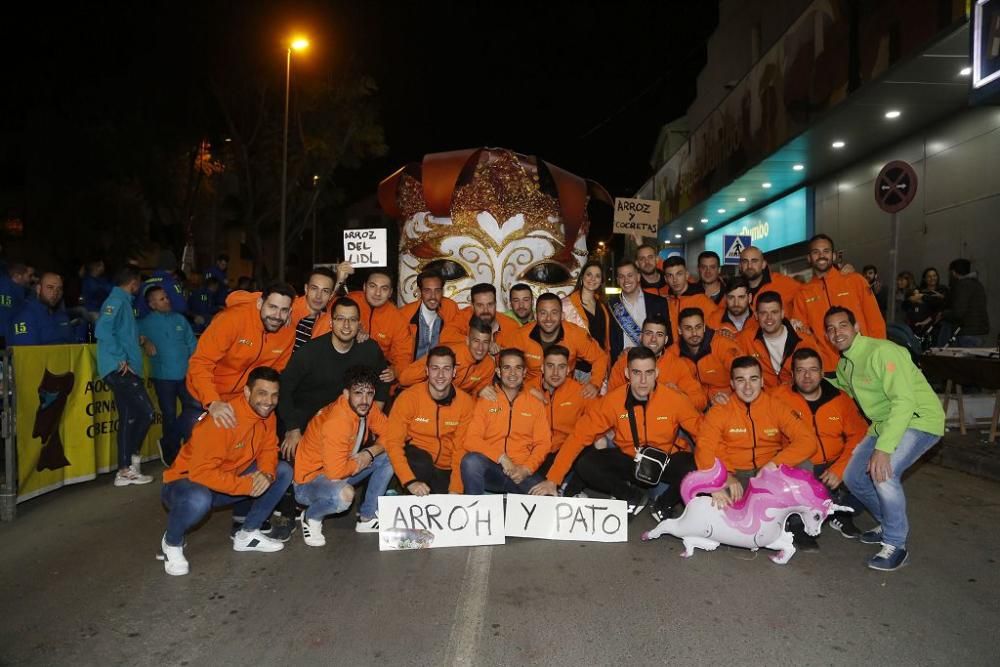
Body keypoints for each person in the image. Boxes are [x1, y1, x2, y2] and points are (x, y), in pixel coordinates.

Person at [825, 306, 945, 571]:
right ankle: (888, 523)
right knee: (854, 476)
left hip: (918, 420)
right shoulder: (845, 364)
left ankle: (896, 544)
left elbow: (903, 401)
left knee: (884, 474)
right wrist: (806, 379)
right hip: (883, 424)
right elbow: (840, 386)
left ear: (856, 327)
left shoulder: (883, 351)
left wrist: (884, 449)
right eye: (831, 329)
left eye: (843, 325)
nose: (837, 332)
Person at [531, 346, 702, 521]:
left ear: (656, 373)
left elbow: (703, 434)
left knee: (698, 464)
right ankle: (630, 496)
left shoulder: (675, 399)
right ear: (627, 373)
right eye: (636, 372)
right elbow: (578, 436)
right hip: (630, 461)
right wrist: (553, 479)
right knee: (586, 463)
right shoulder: (612, 401)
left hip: (664, 462)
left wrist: (722, 476)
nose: (643, 380)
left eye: (649, 373)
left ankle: (663, 504)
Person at [158, 367, 292, 575]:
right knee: (198, 499)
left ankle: (247, 534)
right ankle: (172, 543)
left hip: (224, 482)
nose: (269, 401)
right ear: (247, 392)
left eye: (274, 395)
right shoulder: (223, 420)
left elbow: (269, 449)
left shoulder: (268, 416)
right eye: (262, 393)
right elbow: (200, 473)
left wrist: (266, 474)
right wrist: (247, 485)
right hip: (185, 485)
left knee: (282, 470)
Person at [772, 348, 869, 546]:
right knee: (801, 471)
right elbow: (752, 408)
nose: (807, 376)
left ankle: (841, 513)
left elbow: (859, 434)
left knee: (869, 469)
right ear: (792, 375)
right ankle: (798, 526)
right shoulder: (778, 397)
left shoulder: (840, 399)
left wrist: (839, 469)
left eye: (813, 369)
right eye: (800, 370)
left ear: (822, 372)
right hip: (800, 465)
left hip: (833, 464)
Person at [695, 356, 819, 509]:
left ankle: (794, 524)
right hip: (736, 475)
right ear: (732, 384)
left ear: (761, 381)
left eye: (753, 379)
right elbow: (704, 448)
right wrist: (722, 477)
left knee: (804, 465)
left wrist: (773, 464)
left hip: (770, 470)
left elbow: (808, 440)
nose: (748, 387)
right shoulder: (720, 411)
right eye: (741, 380)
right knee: (721, 505)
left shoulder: (776, 406)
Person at [276, 297, 390, 461]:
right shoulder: (309, 353)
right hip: (308, 421)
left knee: (387, 451)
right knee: (296, 459)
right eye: (340, 319)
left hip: (349, 421)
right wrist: (292, 428)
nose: (346, 325)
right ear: (331, 323)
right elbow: (284, 388)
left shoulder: (368, 349)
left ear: (359, 324)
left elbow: (383, 378)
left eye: (352, 320)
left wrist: (374, 413)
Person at [293, 366, 394, 543]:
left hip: (341, 466)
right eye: (358, 393)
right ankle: (310, 517)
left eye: (370, 394)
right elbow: (335, 473)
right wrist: (362, 459)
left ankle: (367, 517)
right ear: (346, 394)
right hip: (309, 482)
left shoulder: (366, 408)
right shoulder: (337, 422)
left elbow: (393, 433)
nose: (365, 400)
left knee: (390, 457)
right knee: (345, 495)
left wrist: (370, 452)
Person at [186, 282, 297, 431]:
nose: (277, 316)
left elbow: (275, 372)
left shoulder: (288, 332)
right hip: (203, 395)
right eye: (272, 307)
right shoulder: (231, 320)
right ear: (259, 303)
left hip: (239, 401)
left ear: (290, 311)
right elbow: (201, 362)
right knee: (191, 446)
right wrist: (212, 401)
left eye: (284, 310)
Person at [457, 349, 551, 495]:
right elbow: (471, 439)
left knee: (548, 498)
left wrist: (526, 469)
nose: (512, 373)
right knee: (471, 462)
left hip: (521, 472)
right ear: (499, 372)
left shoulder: (535, 404)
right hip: (491, 468)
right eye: (507, 368)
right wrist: (501, 457)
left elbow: (543, 443)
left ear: (524, 372)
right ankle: (475, 511)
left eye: (518, 368)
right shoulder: (486, 400)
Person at [385, 346, 475, 495]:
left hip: (446, 467)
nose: (440, 375)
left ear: (454, 372)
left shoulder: (465, 402)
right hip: (417, 462)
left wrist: (456, 488)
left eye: (446, 369)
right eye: (435, 368)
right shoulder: (409, 398)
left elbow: (461, 449)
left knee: (447, 502)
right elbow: (393, 443)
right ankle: (397, 490)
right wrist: (410, 481)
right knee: (421, 463)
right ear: (427, 371)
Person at [95, 266, 155, 487]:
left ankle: (124, 470)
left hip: (124, 368)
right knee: (147, 413)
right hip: (120, 369)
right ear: (134, 283)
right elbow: (102, 329)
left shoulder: (123, 303)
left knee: (129, 419)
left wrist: (138, 339)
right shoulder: (117, 302)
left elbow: (119, 332)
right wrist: (120, 357)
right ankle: (131, 460)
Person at [793, 234, 886, 371]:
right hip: (829, 368)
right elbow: (802, 335)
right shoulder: (803, 293)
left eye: (826, 251)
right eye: (816, 252)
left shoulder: (855, 281)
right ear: (809, 258)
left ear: (834, 256)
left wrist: (880, 354)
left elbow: (874, 320)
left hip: (863, 362)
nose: (821, 256)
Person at [138, 286, 200, 466]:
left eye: (166, 297)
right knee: (170, 414)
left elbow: (192, 344)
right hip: (164, 377)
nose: (167, 300)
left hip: (186, 375)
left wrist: (195, 368)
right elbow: (131, 336)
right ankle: (171, 452)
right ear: (152, 304)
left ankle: (188, 448)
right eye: (162, 299)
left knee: (194, 411)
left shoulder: (179, 319)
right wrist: (145, 340)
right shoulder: (145, 323)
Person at [515, 293, 608, 397]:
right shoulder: (520, 336)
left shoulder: (575, 334)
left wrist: (595, 384)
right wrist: (526, 389)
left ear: (562, 316)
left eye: (554, 313)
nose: (548, 318)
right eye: (543, 313)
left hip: (565, 392)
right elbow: (507, 368)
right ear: (536, 316)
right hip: (530, 392)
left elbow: (600, 357)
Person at [607, 314, 707, 411]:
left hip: (667, 422)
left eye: (659, 334)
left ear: (666, 340)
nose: (653, 339)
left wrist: (678, 395)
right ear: (641, 337)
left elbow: (701, 402)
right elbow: (610, 399)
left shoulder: (678, 365)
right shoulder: (625, 361)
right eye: (649, 333)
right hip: (631, 420)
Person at [739, 291, 821, 388]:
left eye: (774, 312)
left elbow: (816, 375)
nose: (769, 318)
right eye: (763, 313)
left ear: (782, 313)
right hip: (764, 399)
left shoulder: (804, 341)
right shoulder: (745, 338)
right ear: (756, 315)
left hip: (797, 396)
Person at [342, 268, 414, 378]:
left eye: (384, 289)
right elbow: (329, 317)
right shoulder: (351, 301)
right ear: (364, 287)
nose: (377, 293)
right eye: (372, 286)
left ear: (390, 293)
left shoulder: (397, 319)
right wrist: (352, 331)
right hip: (343, 362)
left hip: (375, 371)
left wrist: (395, 371)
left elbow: (404, 355)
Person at [399, 316, 495, 396]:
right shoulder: (448, 353)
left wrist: (479, 392)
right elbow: (404, 378)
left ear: (490, 344)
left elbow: (478, 394)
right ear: (467, 341)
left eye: (485, 342)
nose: (480, 348)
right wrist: (435, 368)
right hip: (423, 398)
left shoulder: (489, 365)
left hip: (457, 408)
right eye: (476, 341)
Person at [536, 345, 593, 478]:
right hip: (537, 452)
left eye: (561, 367)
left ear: (568, 370)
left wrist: (599, 438)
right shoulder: (528, 389)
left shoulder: (580, 391)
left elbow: (601, 416)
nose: (555, 373)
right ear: (542, 368)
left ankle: (570, 486)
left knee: (592, 451)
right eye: (550, 366)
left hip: (567, 449)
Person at [670, 307, 742, 405]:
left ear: (704, 327)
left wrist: (731, 399)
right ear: (679, 330)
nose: (694, 333)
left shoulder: (722, 345)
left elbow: (744, 375)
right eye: (688, 328)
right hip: (693, 406)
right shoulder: (673, 353)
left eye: (698, 327)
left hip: (727, 403)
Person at [607, 258, 670, 364]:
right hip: (622, 365)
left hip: (654, 364)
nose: (626, 280)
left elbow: (667, 337)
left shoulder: (659, 303)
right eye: (621, 277)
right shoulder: (610, 307)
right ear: (617, 280)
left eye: (630, 275)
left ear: (638, 277)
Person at [561, 260, 612, 384]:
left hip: (599, 369)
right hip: (575, 370)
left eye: (597, 276)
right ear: (582, 277)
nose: (593, 279)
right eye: (589, 274)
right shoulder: (565, 304)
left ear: (601, 281)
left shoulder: (603, 306)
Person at [398, 269, 461, 361]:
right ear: (419, 292)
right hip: (412, 371)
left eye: (437, 291)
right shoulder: (404, 315)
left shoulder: (451, 308)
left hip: (441, 370)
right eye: (427, 291)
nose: (433, 296)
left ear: (442, 292)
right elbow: (398, 353)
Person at [441, 282, 521, 351]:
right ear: (472, 306)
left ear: (495, 304)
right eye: (480, 305)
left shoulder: (511, 326)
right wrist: (479, 342)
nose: (485, 310)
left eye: (490, 304)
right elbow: (445, 336)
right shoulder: (464, 316)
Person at [7, 272, 81, 346]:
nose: (56, 292)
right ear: (38, 289)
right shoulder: (25, 315)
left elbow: (74, 346)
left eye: (59, 288)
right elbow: (28, 354)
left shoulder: (62, 316)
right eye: (50, 287)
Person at [661, 256, 718, 337]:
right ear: (666, 279)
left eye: (679, 274)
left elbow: (715, 331)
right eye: (670, 275)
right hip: (671, 349)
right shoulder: (665, 301)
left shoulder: (703, 301)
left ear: (687, 275)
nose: (675, 280)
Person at [738, 245, 802, 317]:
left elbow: (807, 307)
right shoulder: (734, 291)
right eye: (745, 261)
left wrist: (797, 322)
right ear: (740, 266)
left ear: (763, 264)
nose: (749, 266)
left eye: (754, 261)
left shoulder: (785, 283)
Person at [942, 258, 989, 347]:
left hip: (967, 332)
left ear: (953, 272)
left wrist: (944, 314)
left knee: (965, 360)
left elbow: (958, 312)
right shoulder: (977, 284)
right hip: (979, 331)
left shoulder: (962, 285)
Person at [137, 252, 188, 318]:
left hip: (146, 325)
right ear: (174, 267)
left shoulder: (144, 284)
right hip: (168, 323)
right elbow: (181, 307)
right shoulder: (172, 283)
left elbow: (138, 309)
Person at [0, 263, 35, 341]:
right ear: (18, 276)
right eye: (28, 276)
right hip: (6, 337)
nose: (30, 279)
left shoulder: (6, 285)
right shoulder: (14, 291)